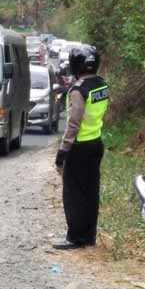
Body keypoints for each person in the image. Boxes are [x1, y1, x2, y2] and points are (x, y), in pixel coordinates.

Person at [53, 46, 109, 250]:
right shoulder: (102, 85)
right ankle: (88, 236)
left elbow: (73, 123)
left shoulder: (78, 90)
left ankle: (74, 237)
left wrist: (62, 152)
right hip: (96, 143)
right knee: (90, 192)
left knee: (73, 194)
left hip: (79, 147)